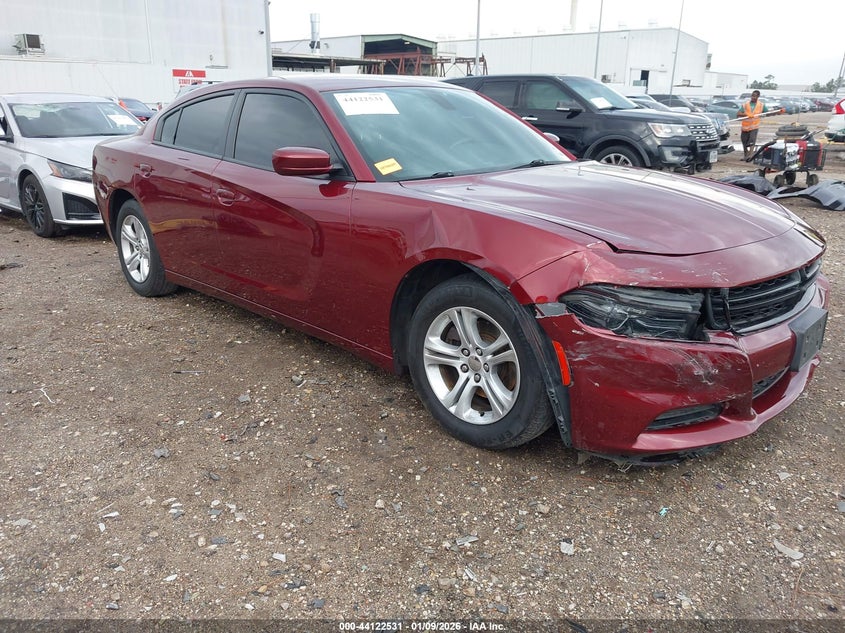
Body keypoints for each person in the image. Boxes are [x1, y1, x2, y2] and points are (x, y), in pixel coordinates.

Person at [737, 90, 767, 159]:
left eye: (755, 96)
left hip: (754, 126)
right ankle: (746, 155)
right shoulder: (746, 104)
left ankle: (750, 156)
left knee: (752, 140)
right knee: (744, 141)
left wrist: (779, 112)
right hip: (745, 127)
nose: (753, 97)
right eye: (752, 95)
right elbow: (738, 114)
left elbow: (767, 113)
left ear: (758, 97)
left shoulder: (761, 105)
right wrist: (746, 114)